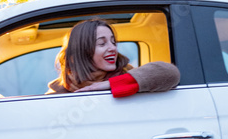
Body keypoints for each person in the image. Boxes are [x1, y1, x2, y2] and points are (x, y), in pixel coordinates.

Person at [47, 18, 180, 97]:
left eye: (113, 42)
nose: (112, 48)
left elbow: (170, 73)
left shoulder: (128, 75)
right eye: (102, 43)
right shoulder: (59, 92)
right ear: (80, 52)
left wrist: (110, 85)